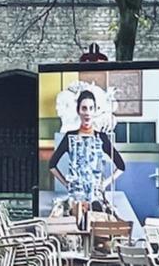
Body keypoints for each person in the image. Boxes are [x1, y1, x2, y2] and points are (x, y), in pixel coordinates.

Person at [49, 89, 124, 222]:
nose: (87, 113)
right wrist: (67, 184)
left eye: (91, 108)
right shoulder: (69, 137)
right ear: (78, 111)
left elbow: (121, 166)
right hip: (75, 199)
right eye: (84, 108)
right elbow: (52, 165)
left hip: (96, 199)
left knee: (98, 231)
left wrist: (105, 183)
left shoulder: (101, 137)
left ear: (95, 111)